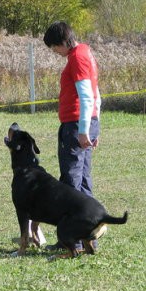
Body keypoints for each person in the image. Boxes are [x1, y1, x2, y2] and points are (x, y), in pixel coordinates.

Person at [43, 21, 102, 250]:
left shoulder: (77, 57)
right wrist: (95, 125)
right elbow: (97, 94)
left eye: (54, 47)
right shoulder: (85, 52)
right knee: (84, 182)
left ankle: (72, 241)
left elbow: (87, 96)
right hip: (86, 122)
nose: (55, 52)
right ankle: (89, 238)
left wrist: (83, 130)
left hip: (76, 124)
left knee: (70, 183)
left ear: (62, 41)